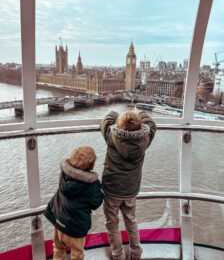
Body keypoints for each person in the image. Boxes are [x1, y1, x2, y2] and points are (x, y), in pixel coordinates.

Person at [100, 108, 157, 260]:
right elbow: (151, 124)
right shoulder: (145, 139)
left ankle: (118, 255)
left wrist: (114, 113)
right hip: (131, 189)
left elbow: (105, 122)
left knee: (112, 223)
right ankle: (136, 253)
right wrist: (140, 113)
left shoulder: (112, 136)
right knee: (131, 221)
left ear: (118, 125)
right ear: (140, 126)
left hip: (112, 188)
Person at [44, 146, 104, 260]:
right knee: (77, 254)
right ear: (92, 165)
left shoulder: (64, 174)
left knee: (58, 248)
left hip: (59, 222)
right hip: (76, 227)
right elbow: (95, 203)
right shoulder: (92, 184)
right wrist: (100, 191)